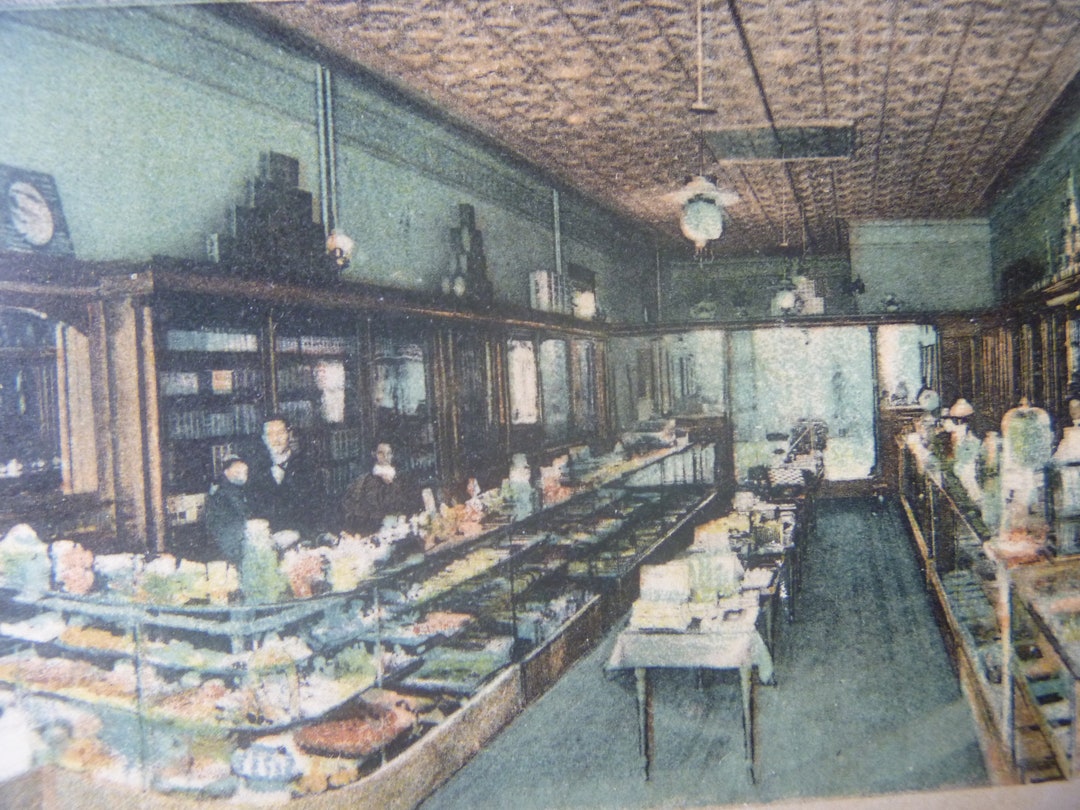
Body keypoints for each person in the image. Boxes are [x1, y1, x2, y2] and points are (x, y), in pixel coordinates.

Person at [246, 416, 319, 534]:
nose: (276, 439)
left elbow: (316, 511)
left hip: (302, 537)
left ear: (289, 435)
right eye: (270, 434)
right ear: (263, 439)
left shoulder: (307, 466)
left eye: (280, 433)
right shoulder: (255, 470)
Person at [342, 443, 415, 535]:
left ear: (392, 455)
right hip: (372, 531)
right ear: (374, 454)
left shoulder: (402, 478)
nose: (385, 457)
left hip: (399, 529)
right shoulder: (364, 481)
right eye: (381, 453)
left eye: (388, 453)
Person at [204, 454, 250, 565]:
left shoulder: (224, 487)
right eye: (237, 472)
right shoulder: (227, 491)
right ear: (226, 472)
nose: (243, 477)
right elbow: (243, 514)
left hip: (225, 542)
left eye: (245, 473)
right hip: (230, 543)